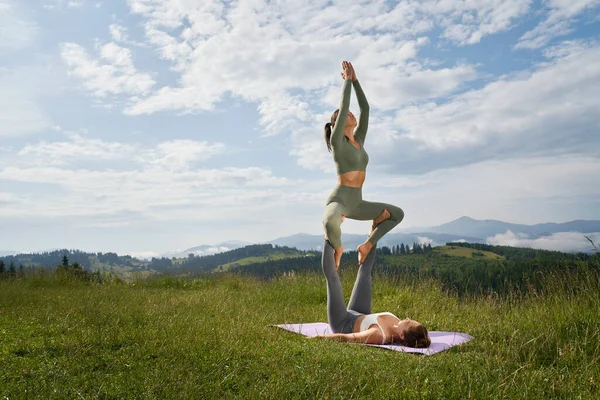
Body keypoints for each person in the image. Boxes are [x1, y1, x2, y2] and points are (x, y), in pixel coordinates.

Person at [323, 61, 405, 268]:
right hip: (340, 200)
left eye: (351, 114)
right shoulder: (337, 143)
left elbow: (365, 108)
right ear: (337, 125)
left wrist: (356, 81)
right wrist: (347, 82)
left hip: (357, 203)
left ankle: (366, 245)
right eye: (344, 115)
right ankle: (339, 248)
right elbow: (344, 107)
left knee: (397, 214)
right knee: (329, 221)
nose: (351, 114)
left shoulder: (359, 140)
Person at [314, 239, 430, 347]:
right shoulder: (398, 325)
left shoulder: (379, 335)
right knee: (365, 273)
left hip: (343, 323)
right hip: (361, 314)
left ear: (402, 336)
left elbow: (347, 338)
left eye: (408, 322)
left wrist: (319, 338)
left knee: (333, 279)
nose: (407, 318)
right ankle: (375, 228)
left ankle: (329, 237)